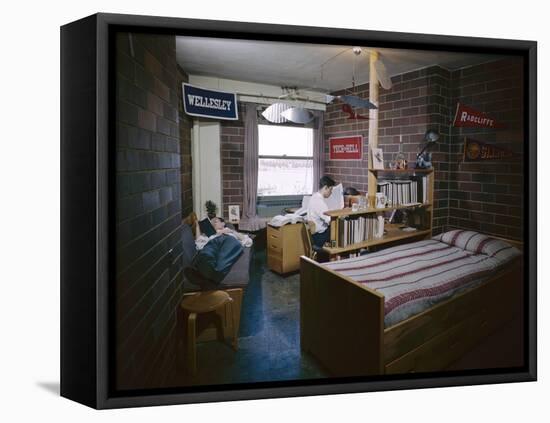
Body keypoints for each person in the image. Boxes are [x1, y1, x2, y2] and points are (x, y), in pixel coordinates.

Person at [307, 175, 336, 249]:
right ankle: (336, 254)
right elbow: (329, 220)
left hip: (315, 235)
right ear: (326, 187)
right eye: (331, 189)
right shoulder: (319, 201)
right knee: (339, 230)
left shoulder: (314, 197)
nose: (331, 192)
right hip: (320, 237)